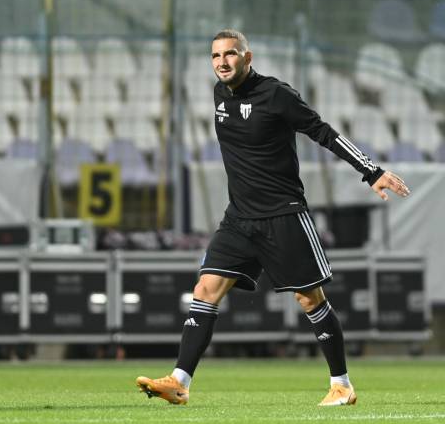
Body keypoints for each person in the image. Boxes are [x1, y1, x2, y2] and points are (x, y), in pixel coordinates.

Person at [136, 29, 411, 406]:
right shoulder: (220, 94)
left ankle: (342, 385)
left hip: (283, 215)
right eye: (215, 56)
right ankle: (179, 382)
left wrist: (371, 171)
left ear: (247, 58)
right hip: (239, 218)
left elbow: (323, 131)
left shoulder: (277, 95)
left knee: (309, 299)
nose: (222, 62)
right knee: (205, 290)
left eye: (230, 54)